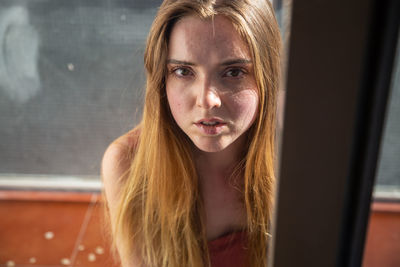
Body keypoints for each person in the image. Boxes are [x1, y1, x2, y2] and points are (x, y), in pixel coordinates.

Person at [101, 0, 281, 266]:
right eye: (183, 71)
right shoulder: (129, 165)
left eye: (233, 72)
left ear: (267, 75)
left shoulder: (293, 151)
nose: (207, 100)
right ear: (162, 78)